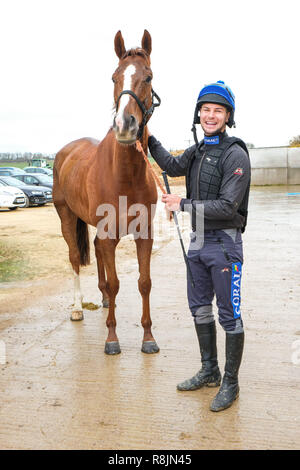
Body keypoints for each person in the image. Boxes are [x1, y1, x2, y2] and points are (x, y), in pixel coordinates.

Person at [148, 81, 251, 412]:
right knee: (199, 308)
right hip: (198, 242)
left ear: (227, 116)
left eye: (217, 110)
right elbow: (171, 165)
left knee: (229, 315)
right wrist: (148, 138)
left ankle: (230, 383)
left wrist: (182, 203)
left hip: (225, 244)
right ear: (199, 113)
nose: (210, 115)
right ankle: (209, 370)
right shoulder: (198, 149)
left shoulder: (235, 153)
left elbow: (227, 207)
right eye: (205, 109)